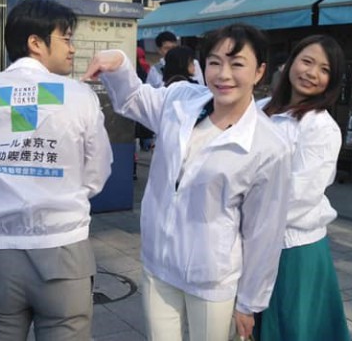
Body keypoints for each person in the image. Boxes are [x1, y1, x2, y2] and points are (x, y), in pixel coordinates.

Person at [83, 23, 291, 341]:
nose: (223, 75)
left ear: (259, 71)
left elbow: (264, 231)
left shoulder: (269, 145)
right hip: (158, 264)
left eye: (237, 64)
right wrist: (120, 64)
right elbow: (134, 98)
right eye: (214, 62)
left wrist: (249, 303)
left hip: (211, 279)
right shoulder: (181, 100)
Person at [0, 0, 113, 340]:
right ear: (35, 42)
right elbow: (98, 171)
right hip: (64, 249)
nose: (72, 48)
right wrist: (64, 198)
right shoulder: (79, 96)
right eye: (66, 38)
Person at [257, 35, 350, 341]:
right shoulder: (259, 109)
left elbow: (299, 197)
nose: (311, 73)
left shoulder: (321, 127)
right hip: (254, 244)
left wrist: (246, 216)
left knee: (294, 329)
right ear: (290, 63)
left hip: (293, 251)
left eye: (324, 69)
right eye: (307, 61)